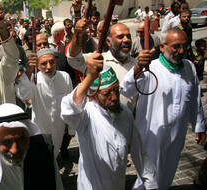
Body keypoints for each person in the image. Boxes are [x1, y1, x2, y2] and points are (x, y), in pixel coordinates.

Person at [121, 29, 206, 190]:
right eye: (175, 46)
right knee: (148, 179)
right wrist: (138, 67)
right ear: (162, 47)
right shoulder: (150, 68)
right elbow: (126, 89)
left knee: (167, 174)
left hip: (177, 134)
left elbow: (195, 98)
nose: (181, 51)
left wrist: (199, 125)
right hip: (151, 136)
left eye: (184, 46)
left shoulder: (189, 67)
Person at [61, 52, 158, 189]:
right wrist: (90, 77)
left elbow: (138, 149)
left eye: (116, 90)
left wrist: (150, 181)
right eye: (107, 93)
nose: (114, 97)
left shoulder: (125, 113)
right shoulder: (85, 116)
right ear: (94, 96)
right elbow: (68, 107)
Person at [67, 17, 137, 111]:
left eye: (128, 36)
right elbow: (74, 59)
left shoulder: (136, 65)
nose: (126, 40)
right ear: (108, 42)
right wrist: (77, 35)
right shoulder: (97, 60)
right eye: (120, 37)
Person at [17, 48, 73, 158]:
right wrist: (28, 71)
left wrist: (71, 129)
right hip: (40, 127)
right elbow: (24, 95)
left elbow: (70, 104)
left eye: (51, 62)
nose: (48, 67)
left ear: (56, 61)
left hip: (59, 127)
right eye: (43, 63)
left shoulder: (65, 77)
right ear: (37, 65)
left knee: (55, 155)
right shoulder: (33, 79)